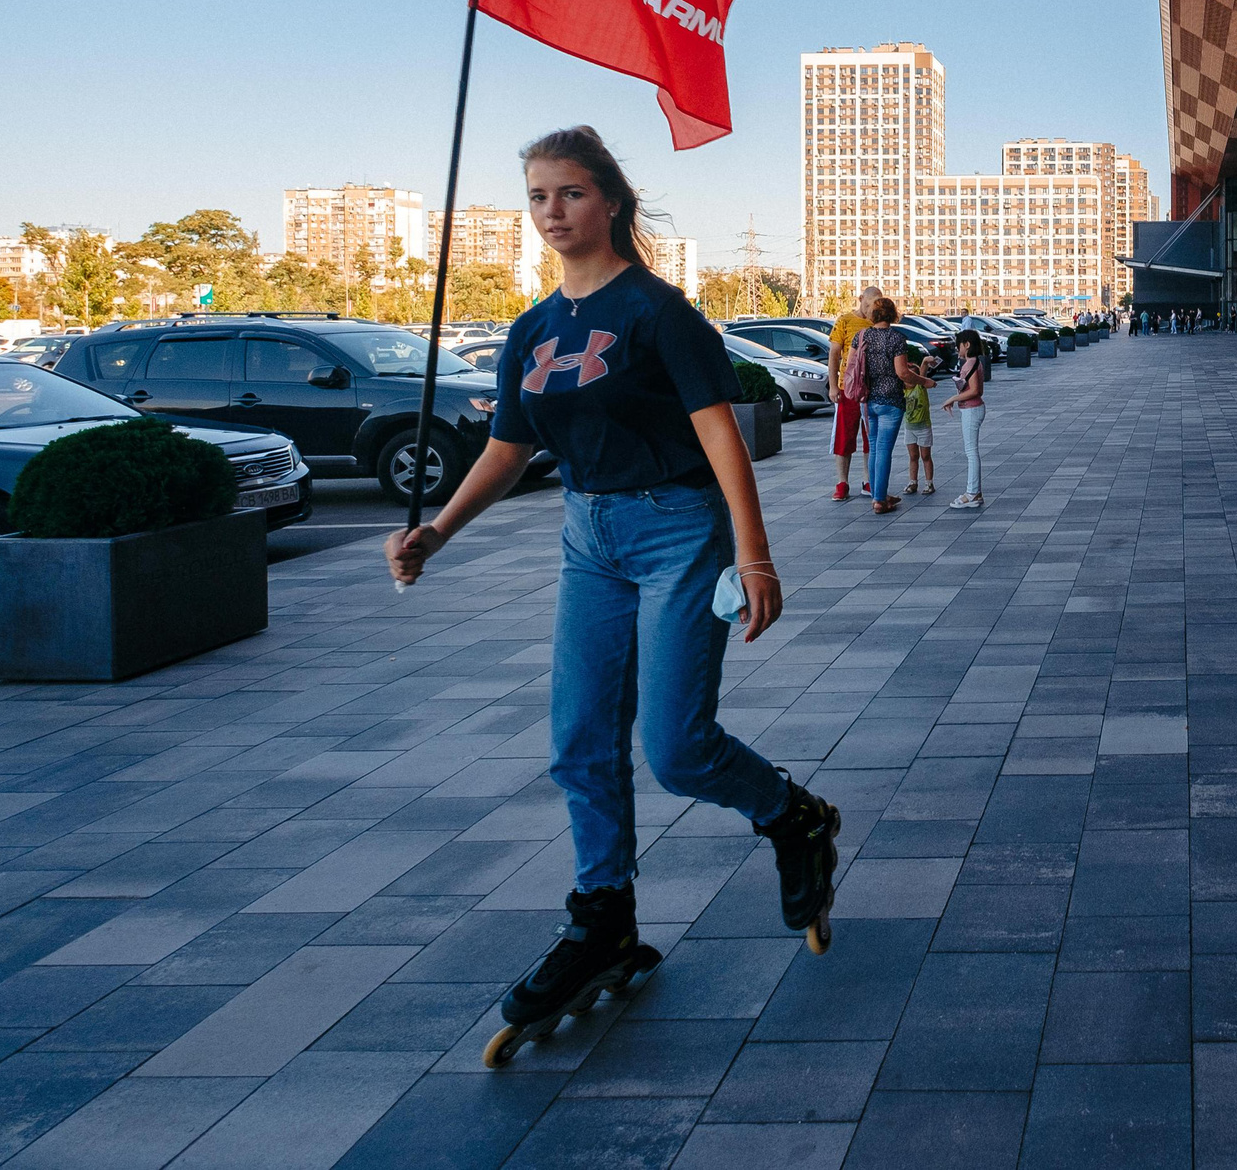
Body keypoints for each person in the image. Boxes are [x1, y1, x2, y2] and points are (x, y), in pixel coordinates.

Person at [384, 127, 842, 1066]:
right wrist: (439, 531)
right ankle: (604, 917)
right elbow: (508, 449)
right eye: (538, 196)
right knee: (579, 741)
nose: (553, 211)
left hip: (677, 530)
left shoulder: (658, 311)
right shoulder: (529, 331)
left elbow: (720, 435)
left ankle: (793, 815)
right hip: (587, 538)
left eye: (571, 193)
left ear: (613, 202)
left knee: (677, 749)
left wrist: (756, 557)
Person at [851, 297, 924, 513]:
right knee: (883, 449)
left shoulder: (861, 336)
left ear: (872, 314)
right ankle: (880, 500)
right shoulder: (896, 338)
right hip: (891, 400)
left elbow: (851, 365)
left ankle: (878, 495)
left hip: (867, 400)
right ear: (893, 314)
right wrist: (924, 381)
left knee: (874, 447)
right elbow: (902, 373)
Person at [826, 285, 882, 503]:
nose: (871, 310)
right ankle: (842, 482)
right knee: (844, 436)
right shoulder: (845, 321)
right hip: (847, 388)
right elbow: (834, 354)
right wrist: (833, 386)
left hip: (871, 389)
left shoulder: (877, 323)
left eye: (875, 306)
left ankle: (868, 480)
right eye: (868, 305)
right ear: (861, 300)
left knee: (871, 436)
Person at [945, 328, 988, 509]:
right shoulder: (974, 362)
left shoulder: (970, 364)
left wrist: (953, 398)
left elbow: (975, 390)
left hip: (971, 410)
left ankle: (972, 493)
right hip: (973, 409)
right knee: (971, 451)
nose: (957, 349)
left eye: (959, 345)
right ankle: (974, 492)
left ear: (967, 345)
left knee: (971, 452)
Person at [901, 367, 934, 495]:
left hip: (923, 427)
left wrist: (925, 362)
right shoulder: (902, 391)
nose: (909, 381)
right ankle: (913, 482)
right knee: (913, 456)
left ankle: (929, 482)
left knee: (926, 456)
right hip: (909, 428)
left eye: (912, 378)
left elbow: (923, 373)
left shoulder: (920, 388)